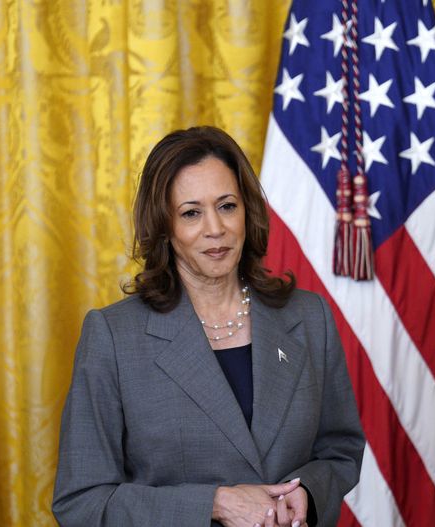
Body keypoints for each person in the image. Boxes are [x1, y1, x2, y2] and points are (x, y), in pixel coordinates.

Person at [53, 126, 364, 527]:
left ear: (247, 210)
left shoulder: (309, 317)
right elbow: (81, 501)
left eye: (227, 206)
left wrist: (307, 493)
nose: (215, 228)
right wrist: (214, 505)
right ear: (163, 226)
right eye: (191, 213)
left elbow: (340, 450)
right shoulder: (113, 337)